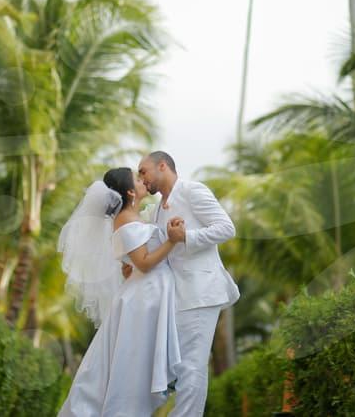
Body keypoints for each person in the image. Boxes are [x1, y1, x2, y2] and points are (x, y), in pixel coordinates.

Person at [57, 167, 186, 416]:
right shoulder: (125, 219)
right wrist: (172, 240)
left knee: (130, 366)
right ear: (130, 191)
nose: (142, 181)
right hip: (142, 299)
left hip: (146, 294)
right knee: (130, 368)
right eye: (138, 179)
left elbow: (134, 261)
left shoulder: (133, 217)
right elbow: (145, 263)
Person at [129, 151, 240, 417]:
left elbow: (227, 228)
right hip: (175, 297)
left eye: (144, 171)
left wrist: (186, 236)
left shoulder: (193, 191)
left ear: (162, 166)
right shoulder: (156, 210)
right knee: (177, 368)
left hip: (201, 292)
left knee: (192, 366)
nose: (141, 178)